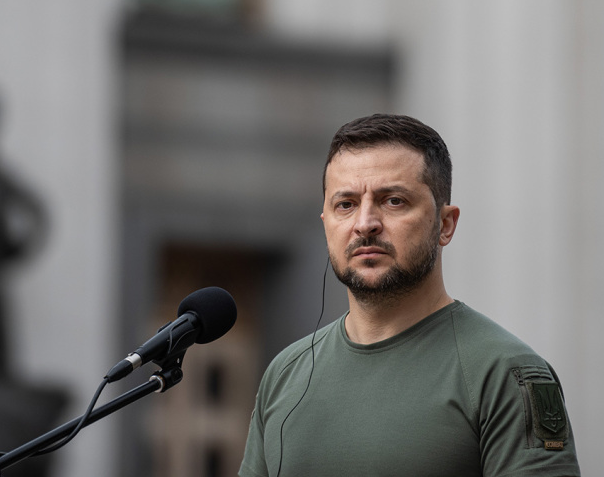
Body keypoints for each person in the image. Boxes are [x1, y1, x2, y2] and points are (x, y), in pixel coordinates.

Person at [239, 114, 580, 477]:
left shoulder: (506, 373)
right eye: (346, 204)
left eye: (394, 201)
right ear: (326, 222)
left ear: (445, 225)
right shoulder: (285, 374)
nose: (365, 223)